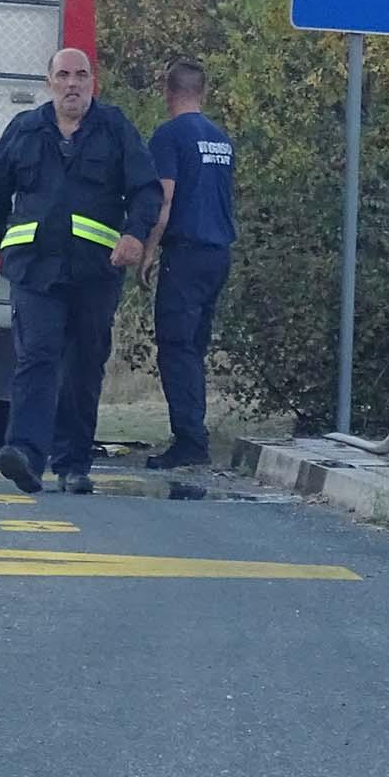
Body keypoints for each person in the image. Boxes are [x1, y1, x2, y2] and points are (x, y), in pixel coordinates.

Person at [0, 48, 160, 495]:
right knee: (36, 357)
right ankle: (26, 454)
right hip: (35, 272)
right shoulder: (25, 130)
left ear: (93, 81)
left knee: (83, 366)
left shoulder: (115, 129)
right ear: (49, 81)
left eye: (80, 75)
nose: (72, 84)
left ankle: (73, 463)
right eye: (63, 75)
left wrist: (134, 236)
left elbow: (146, 190)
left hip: (96, 272)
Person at [141, 57, 237, 470]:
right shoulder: (221, 138)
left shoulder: (169, 137)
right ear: (203, 91)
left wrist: (147, 250)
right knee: (193, 348)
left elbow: (165, 200)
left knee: (176, 348)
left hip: (185, 254)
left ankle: (189, 442)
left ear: (168, 91)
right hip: (218, 254)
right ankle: (193, 434)